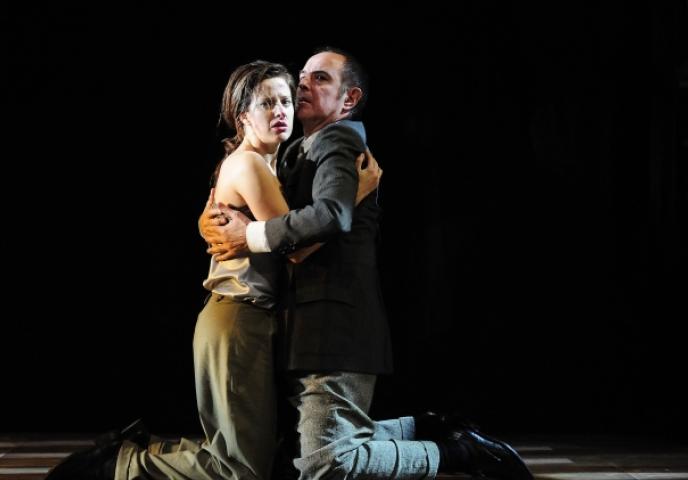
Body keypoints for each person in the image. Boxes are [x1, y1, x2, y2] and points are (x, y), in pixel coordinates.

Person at [201, 47, 534, 480]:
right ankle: (426, 427)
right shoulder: (294, 151)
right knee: (293, 453)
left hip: (333, 325)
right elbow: (246, 191)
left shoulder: (338, 140)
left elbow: (331, 216)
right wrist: (209, 220)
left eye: (320, 78)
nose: (302, 86)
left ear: (349, 99)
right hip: (303, 325)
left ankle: (456, 453)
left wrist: (247, 235)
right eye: (302, 77)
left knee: (324, 464)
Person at [44, 60, 380, 480]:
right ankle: (119, 465)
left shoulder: (274, 163)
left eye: (285, 101)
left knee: (249, 457)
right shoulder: (251, 164)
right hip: (239, 316)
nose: (281, 110)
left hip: (249, 318)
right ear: (243, 117)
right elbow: (296, 248)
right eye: (267, 103)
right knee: (240, 469)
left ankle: (137, 451)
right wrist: (355, 195)